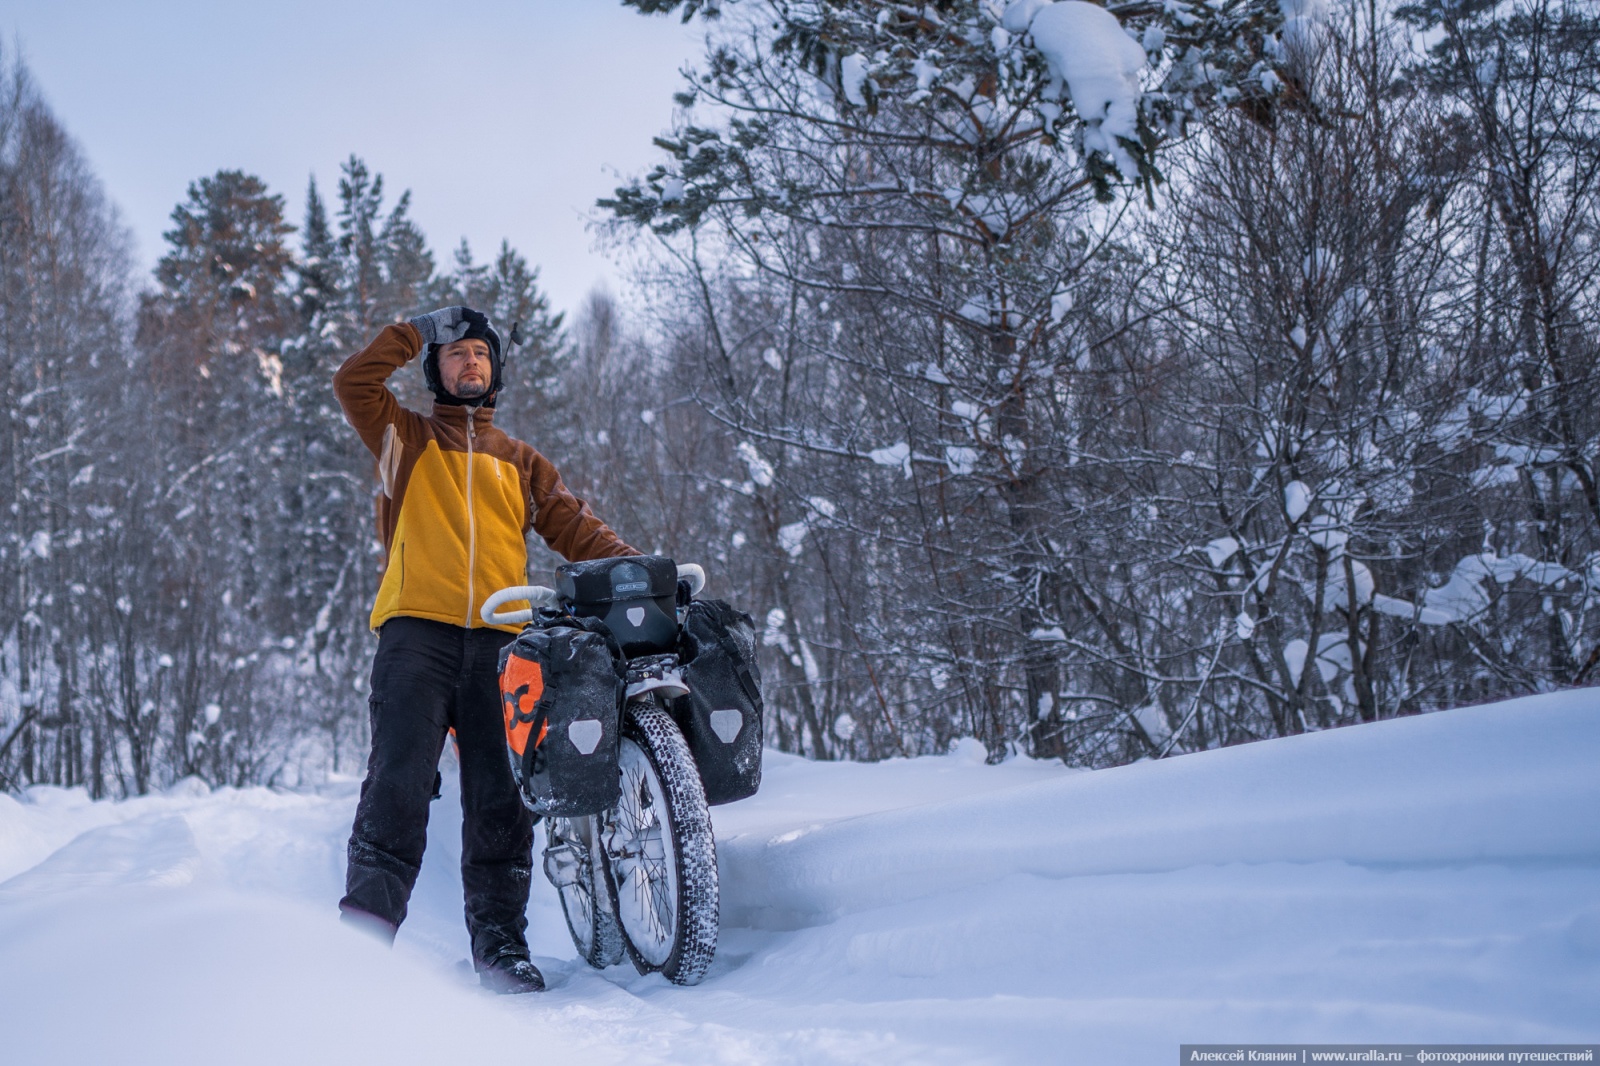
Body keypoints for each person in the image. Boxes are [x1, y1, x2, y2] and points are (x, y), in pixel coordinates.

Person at [332, 305, 637, 993]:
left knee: (501, 800)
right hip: (416, 636)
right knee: (398, 782)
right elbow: (354, 382)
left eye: (480, 353)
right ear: (435, 369)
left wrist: (638, 571)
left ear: (494, 369)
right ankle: (361, 945)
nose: (470, 362)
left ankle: (500, 950)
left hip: (505, 648)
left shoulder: (522, 462)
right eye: (455, 353)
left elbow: (580, 531)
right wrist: (413, 328)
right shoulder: (401, 439)